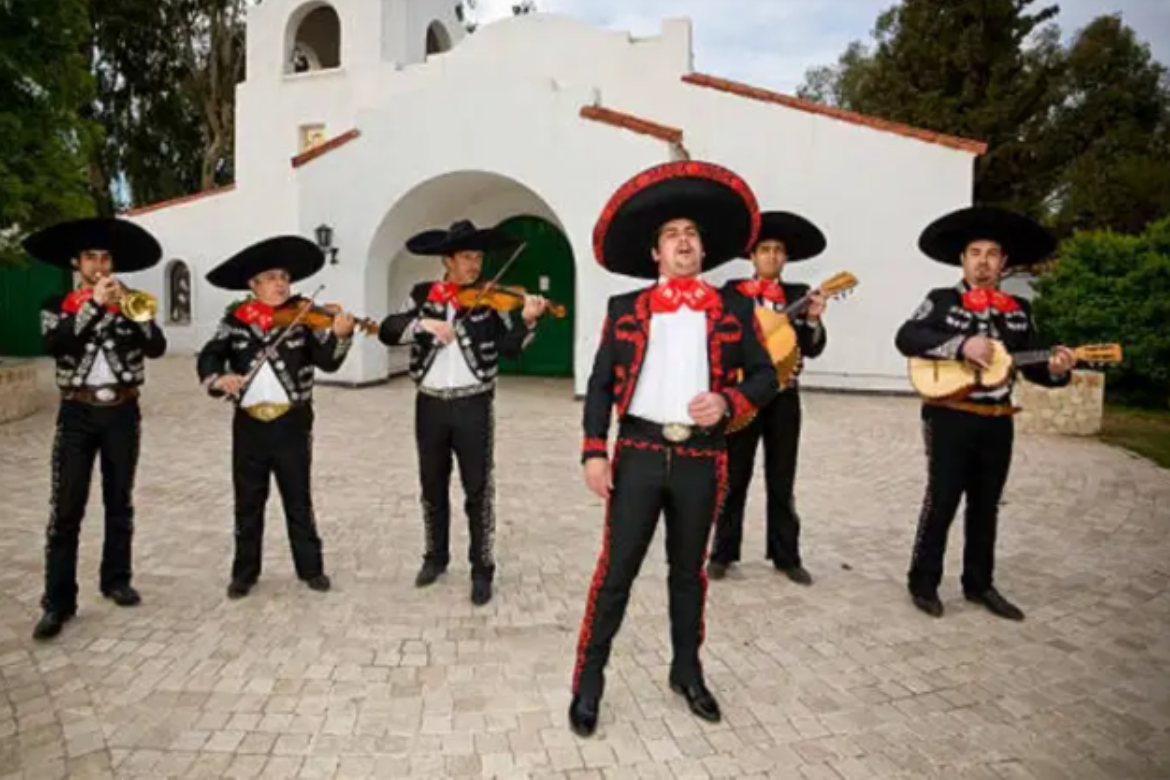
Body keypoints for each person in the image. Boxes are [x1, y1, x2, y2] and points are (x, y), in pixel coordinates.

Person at [570, 161, 779, 737]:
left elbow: (766, 378)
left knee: (689, 575)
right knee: (615, 574)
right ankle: (589, 680)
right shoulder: (625, 309)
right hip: (636, 452)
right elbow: (600, 385)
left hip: (702, 459)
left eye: (691, 234)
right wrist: (594, 451)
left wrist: (731, 400)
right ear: (656, 253)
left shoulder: (735, 309)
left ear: (702, 250)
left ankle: (687, 672)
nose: (683, 242)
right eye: (671, 235)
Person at [895, 206, 1076, 621]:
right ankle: (923, 583)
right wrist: (960, 346)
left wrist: (1057, 371)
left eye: (992, 253)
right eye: (975, 252)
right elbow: (907, 336)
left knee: (986, 504)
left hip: (998, 419)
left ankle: (978, 584)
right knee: (942, 499)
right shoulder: (942, 301)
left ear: (1004, 263)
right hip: (949, 413)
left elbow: (1031, 366)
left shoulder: (1018, 310)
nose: (983, 261)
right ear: (962, 260)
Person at [378, 220, 549, 606]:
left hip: (474, 404)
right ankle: (435, 557)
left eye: (478, 257)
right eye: (467, 257)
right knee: (432, 486)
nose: (475, 265)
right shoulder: (421, 294)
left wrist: (527, 320)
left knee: (478, 489)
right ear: (447, 260)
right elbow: (389, 329)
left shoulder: (491, 298)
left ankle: (481, 568)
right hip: (430, 404)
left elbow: (509, 348)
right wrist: (423, 323)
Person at [26, 217, 167, 640]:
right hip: (77, 413)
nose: (100, 264)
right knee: (66, 509)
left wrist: (132, 310)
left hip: (123, 411)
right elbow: (56, 344)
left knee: (119, 502)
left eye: (105, 257)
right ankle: (58, 601)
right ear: (77, 262)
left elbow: (157, 347)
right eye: (91, 257)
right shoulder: (57, 305)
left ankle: (116, 580)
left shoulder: (131, 302)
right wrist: (92, 305)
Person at [196, 235, 356, 599]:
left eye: (284, 277)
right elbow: (209, 356)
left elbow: (328, 360)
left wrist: (342, 336)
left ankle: (311, 569)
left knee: (298, 500)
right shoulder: (235, 321)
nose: (281, 283)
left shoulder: (303, 318)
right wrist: (219, 379)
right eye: (271, 277)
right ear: (253, 286)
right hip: (249, 424)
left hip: (292, 424)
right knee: (248, 502)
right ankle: (245, 573)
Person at [709, 210, 829, 586]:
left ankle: (786, 555)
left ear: (785, 258)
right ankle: (723, 553)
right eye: (765, 249)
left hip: (784, 399)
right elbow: (718, 338)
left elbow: (812, 349)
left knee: (782, 479)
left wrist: (812, 319)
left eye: (778, 250)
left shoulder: (799, 296)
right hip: (744, 397)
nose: (772, 256)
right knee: (734, 477)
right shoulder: (732, 293)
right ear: (752, 256)